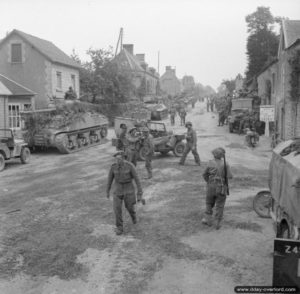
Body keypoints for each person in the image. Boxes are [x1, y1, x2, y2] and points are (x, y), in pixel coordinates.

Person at [106, 151, 143, 235]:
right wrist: (107, 191)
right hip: (117, 189)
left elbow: (137, 180)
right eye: (116, 159)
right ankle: (119, 227)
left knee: (129, 207)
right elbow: (109, 180)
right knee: (117, 209)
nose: (117, 160)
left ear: (123, 158)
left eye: (119, 159)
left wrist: (139, 193)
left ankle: (133, 216)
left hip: (128, 189)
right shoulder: (113, 167)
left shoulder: (130, 166)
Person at [202, 148, 233, 229]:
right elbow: (230, 176)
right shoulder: (226, 164)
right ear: (222, 156)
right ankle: (217, 223)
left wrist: (208, 181)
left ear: (214, 155)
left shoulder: (209, 163)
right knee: (220, 205)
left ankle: (208, 220)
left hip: (211, 186)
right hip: (221, 187)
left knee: (209, 203)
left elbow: (204, 174)